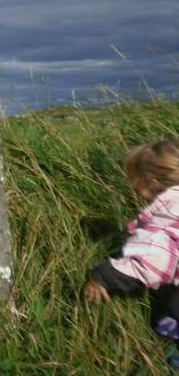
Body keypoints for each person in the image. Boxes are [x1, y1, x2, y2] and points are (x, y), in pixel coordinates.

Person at [84, 140, 179, 369]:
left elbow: (151, 261)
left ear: (151, 182)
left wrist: (104, 276)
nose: (131, 185)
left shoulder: (168, 215)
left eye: (134, 178)